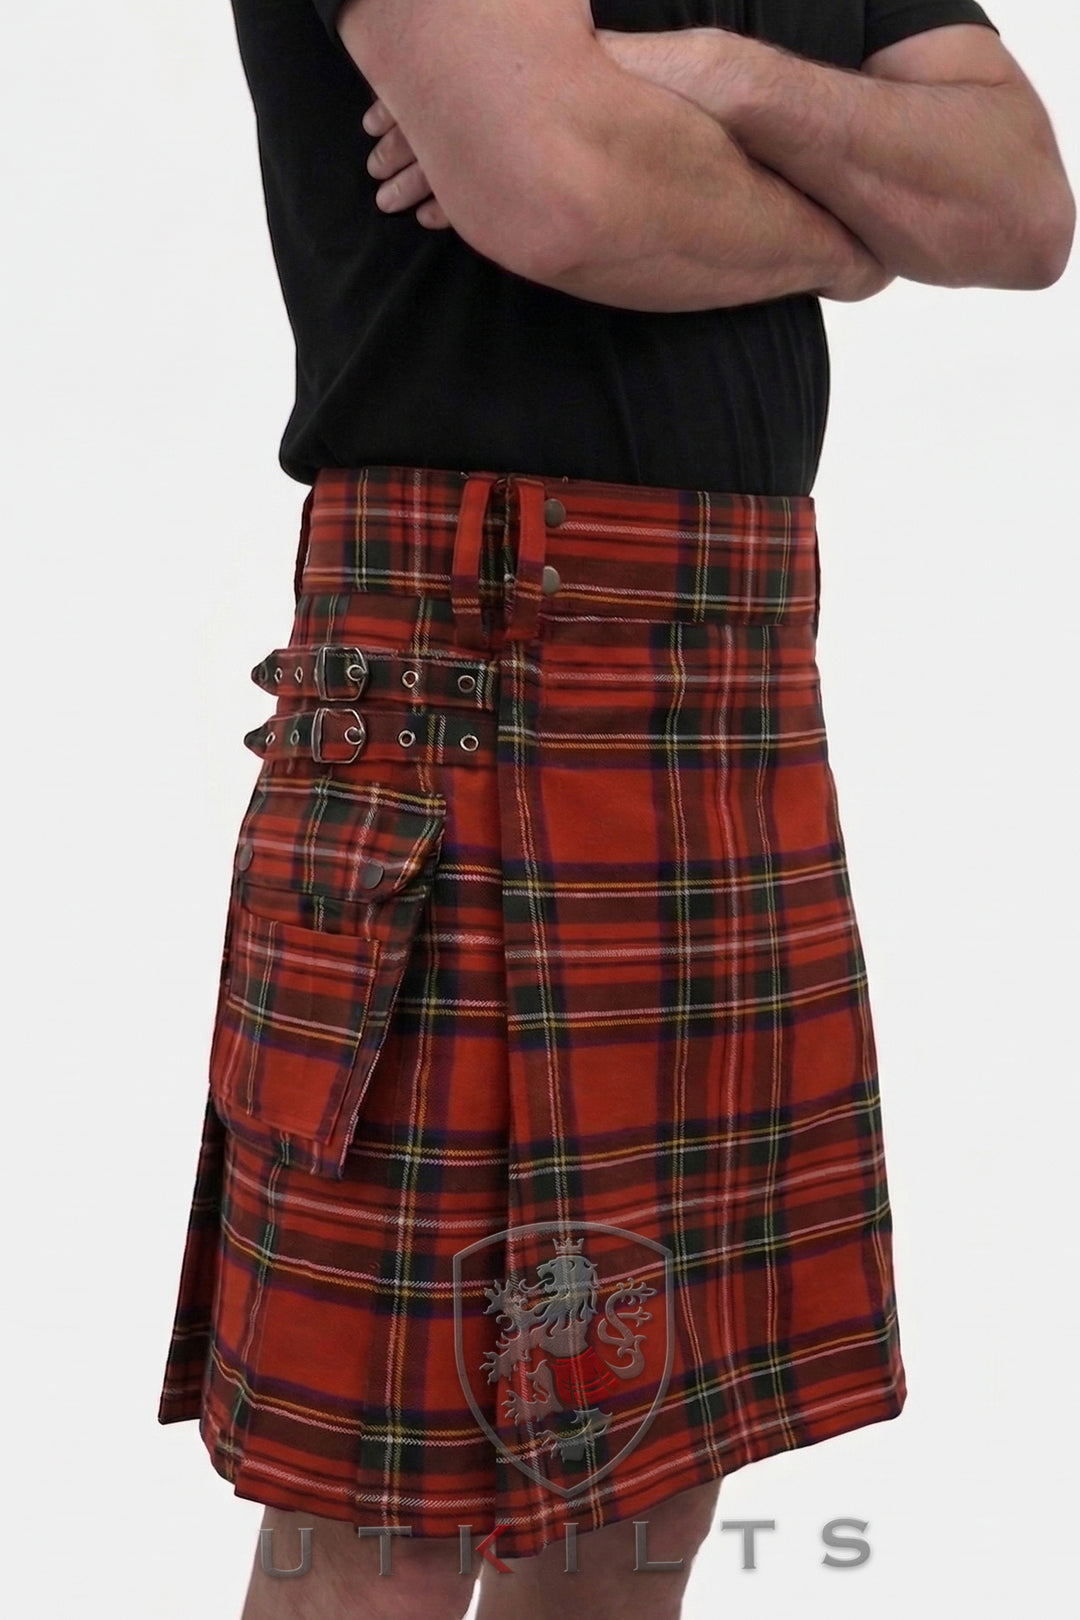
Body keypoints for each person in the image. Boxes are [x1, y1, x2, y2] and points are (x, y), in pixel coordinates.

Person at [156, 4, 1074, 1618]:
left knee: (645, 1478)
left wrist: (707, 75)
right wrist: (852, 234)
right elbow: (563, 190)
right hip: (458, 672)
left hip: (729, 686)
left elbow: (1016, 204)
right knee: (381, 1518)